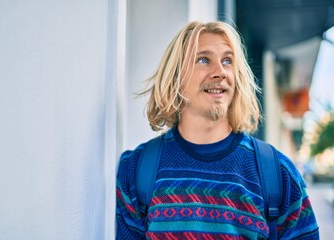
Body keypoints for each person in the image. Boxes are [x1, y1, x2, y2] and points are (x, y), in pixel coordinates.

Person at [116, 21, 319, 239]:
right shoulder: (136, 170)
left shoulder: (279, 175)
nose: (220, 72)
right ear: (175, 76)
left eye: (227, 61)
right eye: (203, 60)